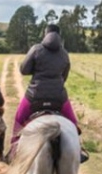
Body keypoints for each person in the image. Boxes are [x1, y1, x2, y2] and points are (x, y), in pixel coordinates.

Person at [8, 24, 89, 163]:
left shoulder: (36, 49)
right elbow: (64, 76)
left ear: (45, 34)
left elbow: (23, 70)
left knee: (19, 119)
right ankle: (78, 149)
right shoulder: (64, 53)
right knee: (73, 123)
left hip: (35, 96)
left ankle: (13, 150)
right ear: (59, 36)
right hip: (58, 97)